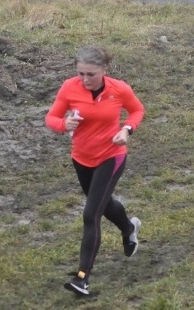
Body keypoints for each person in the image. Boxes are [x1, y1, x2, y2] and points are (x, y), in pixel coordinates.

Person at [45, 46, 145, 296]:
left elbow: (137, 110)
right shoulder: (69, 87)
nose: (85, 79)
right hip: (81, 158)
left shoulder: (119, 89)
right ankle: (129, 227)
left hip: (111, 157)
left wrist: (126, 130)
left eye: (90, 74)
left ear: (104, 70)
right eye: (81, 73)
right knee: (103, 203)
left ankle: (82, 278)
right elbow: (51, 118)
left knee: (91, 214)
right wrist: (63, 124)